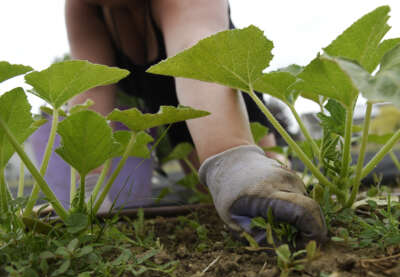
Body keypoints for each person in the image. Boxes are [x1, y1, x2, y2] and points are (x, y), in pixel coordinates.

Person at [56, 0, 327, 245]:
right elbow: (90, 87)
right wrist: (88, 187)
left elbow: (195, 48)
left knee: (267, 183)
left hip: (222, 89)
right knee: (207, 199)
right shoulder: (84, 7)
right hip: (168, 106)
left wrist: (233, 162)